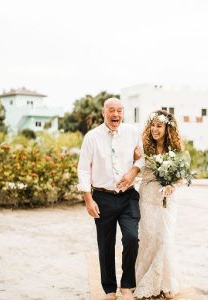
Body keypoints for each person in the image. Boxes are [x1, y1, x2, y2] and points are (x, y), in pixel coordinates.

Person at [77, 98, 144, 300]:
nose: (116, 114)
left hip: (128, 197)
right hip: (102, 197)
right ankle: (109, 290)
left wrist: (133, 172)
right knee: (105, 245)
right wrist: (88, 199)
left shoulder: (132, 132)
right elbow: (83, 169)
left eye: (119, 111)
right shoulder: (92, 137)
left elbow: (142, 157)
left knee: (132, 238)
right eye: (111, 110)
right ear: (103, 113)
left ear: (123, 113)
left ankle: (127, 285)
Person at [133, 110, 183, 299]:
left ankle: (165, 284)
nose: (154, 129)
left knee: (165, 238)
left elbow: (181, 177)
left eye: (159, 126)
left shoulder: (175, 151)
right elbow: (137, 168)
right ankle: (144, 281)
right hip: (147, 198)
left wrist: (171, 186)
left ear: (167, 128)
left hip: (167, 201)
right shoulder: (144, 147)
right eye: (152, 125)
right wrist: (135, 157)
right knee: (148, 238)